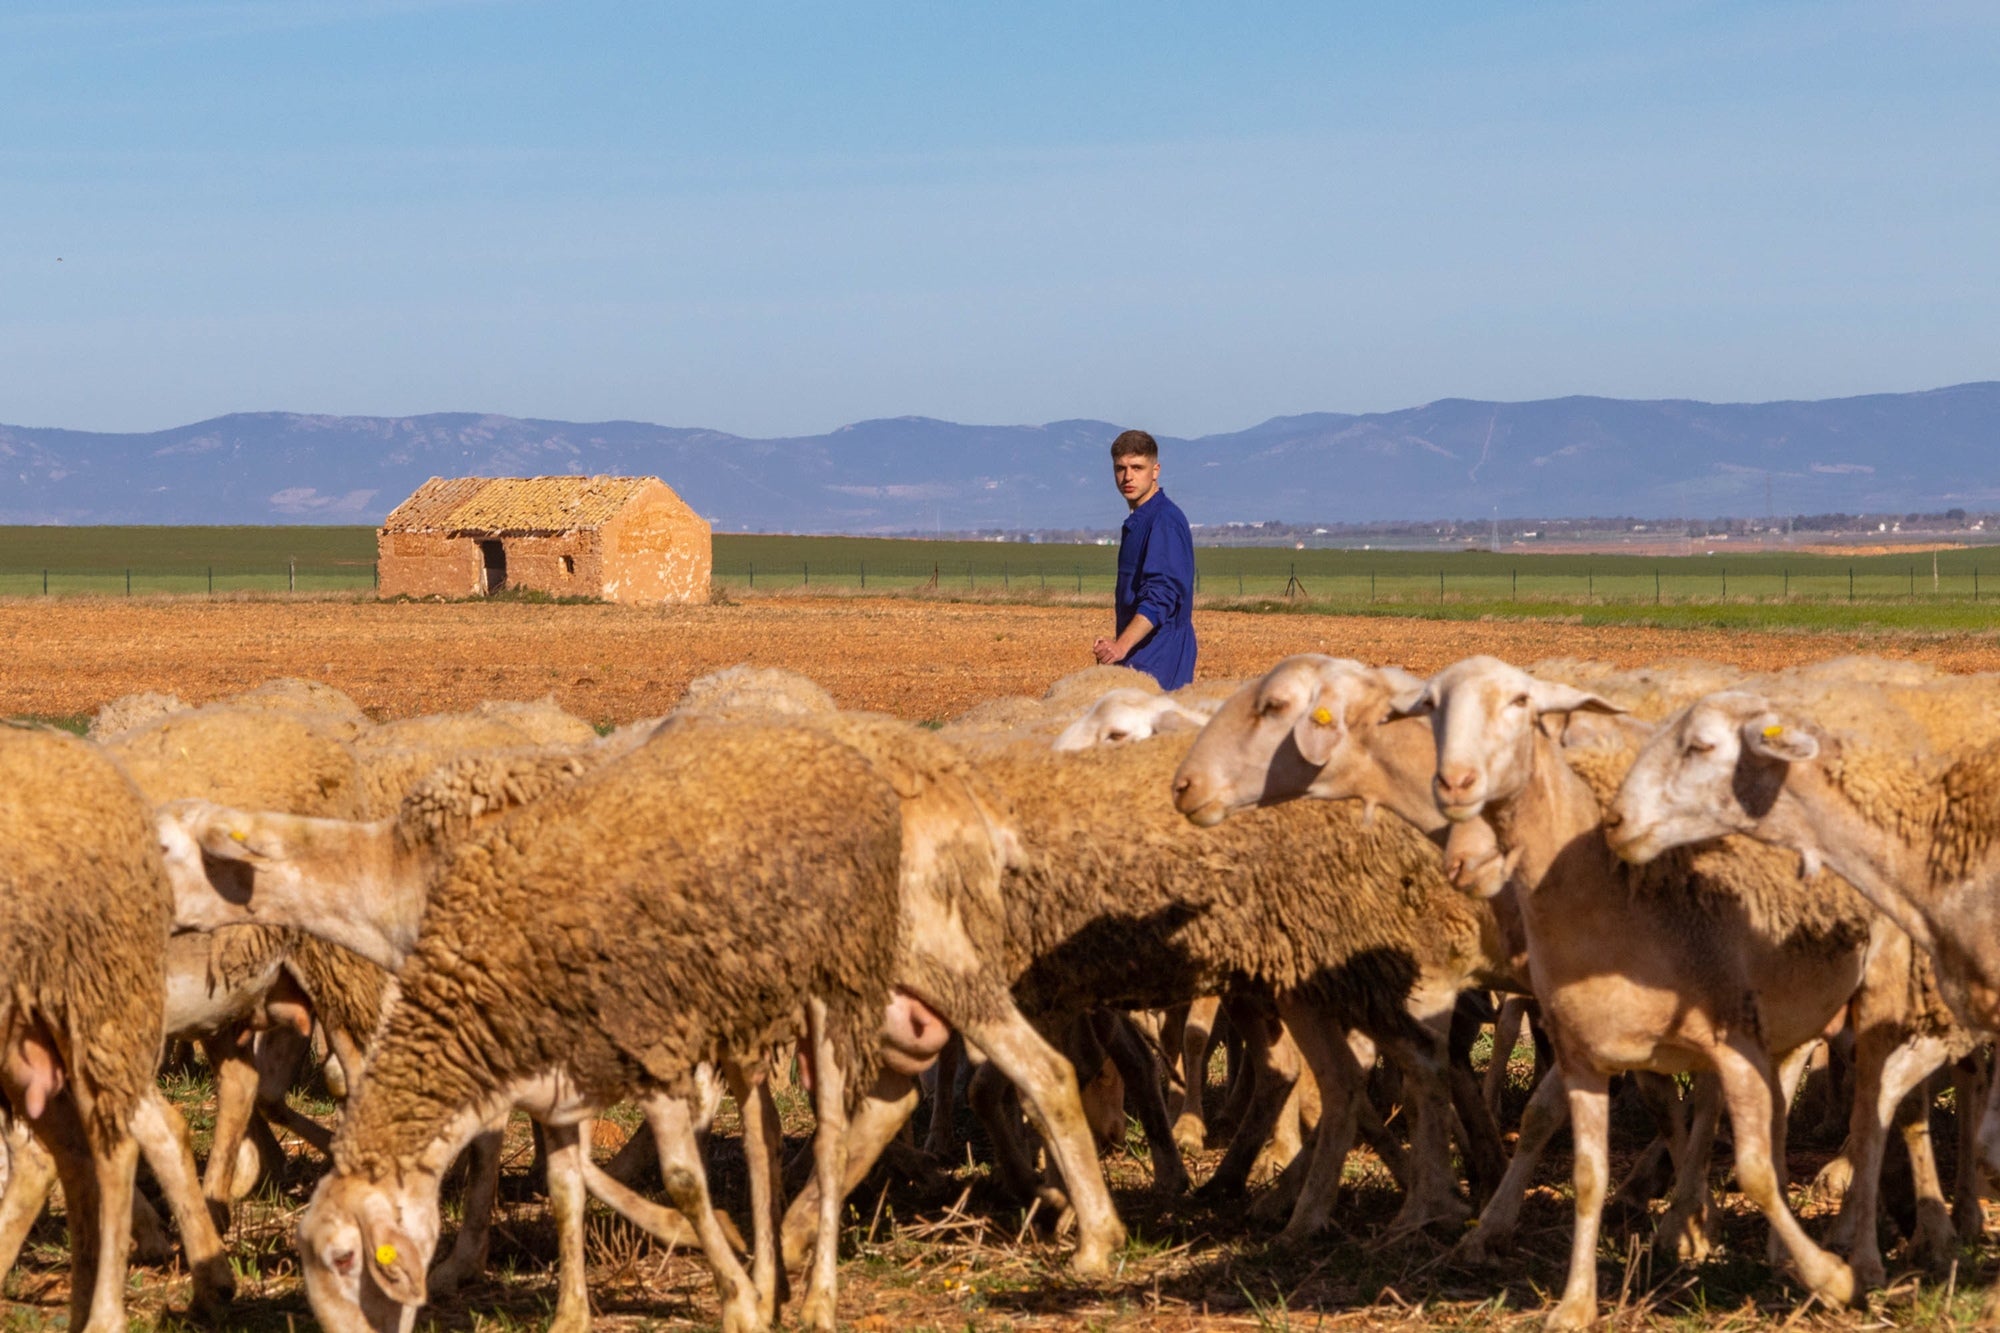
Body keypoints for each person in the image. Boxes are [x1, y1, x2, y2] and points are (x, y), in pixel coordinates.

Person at [1092, 429, 1197, 689]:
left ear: (1155, 470)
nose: (1128, 477)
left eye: (1137, 467)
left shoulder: (1164, 521)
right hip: (1139, 658)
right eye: (1121, 468)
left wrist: (1120, 646)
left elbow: (1161, 595)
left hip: (1160, 660)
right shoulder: (1141, 521)